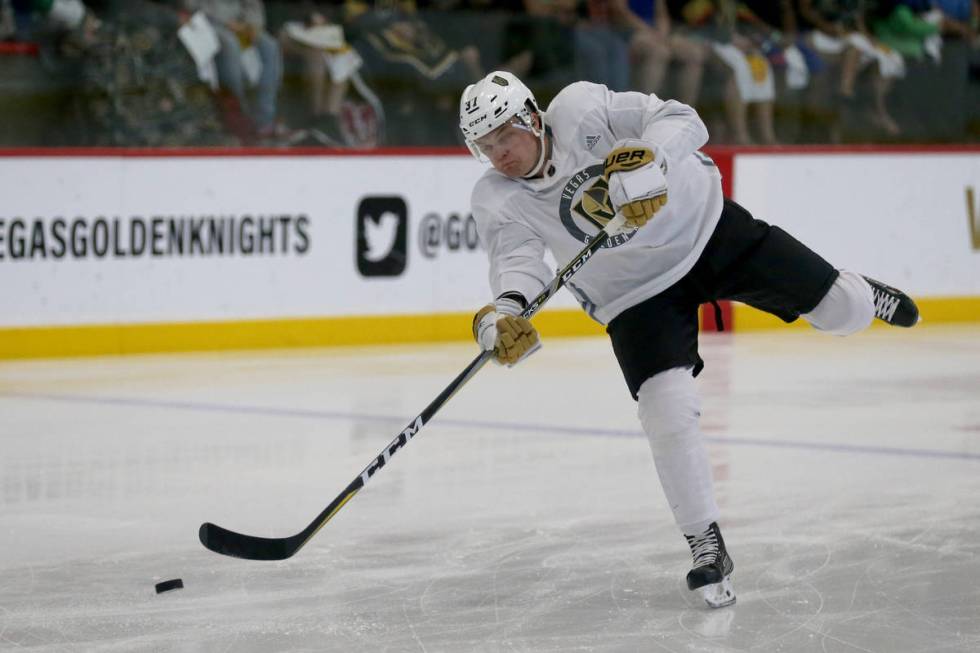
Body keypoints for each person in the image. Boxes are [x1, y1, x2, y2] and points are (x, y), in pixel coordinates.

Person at [458, 70, 920, 608]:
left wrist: (650, 158)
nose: (499, 156)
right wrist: (504, 313)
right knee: (665, 409)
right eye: (485, 147)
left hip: (709, 233)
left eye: (504, 138)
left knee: (843, 311)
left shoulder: (583, 108)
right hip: (634, 297)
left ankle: (864, 295)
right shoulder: (497, 197)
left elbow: (683, 119)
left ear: (532, 118)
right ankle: (706, 545)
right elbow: (516, 264)